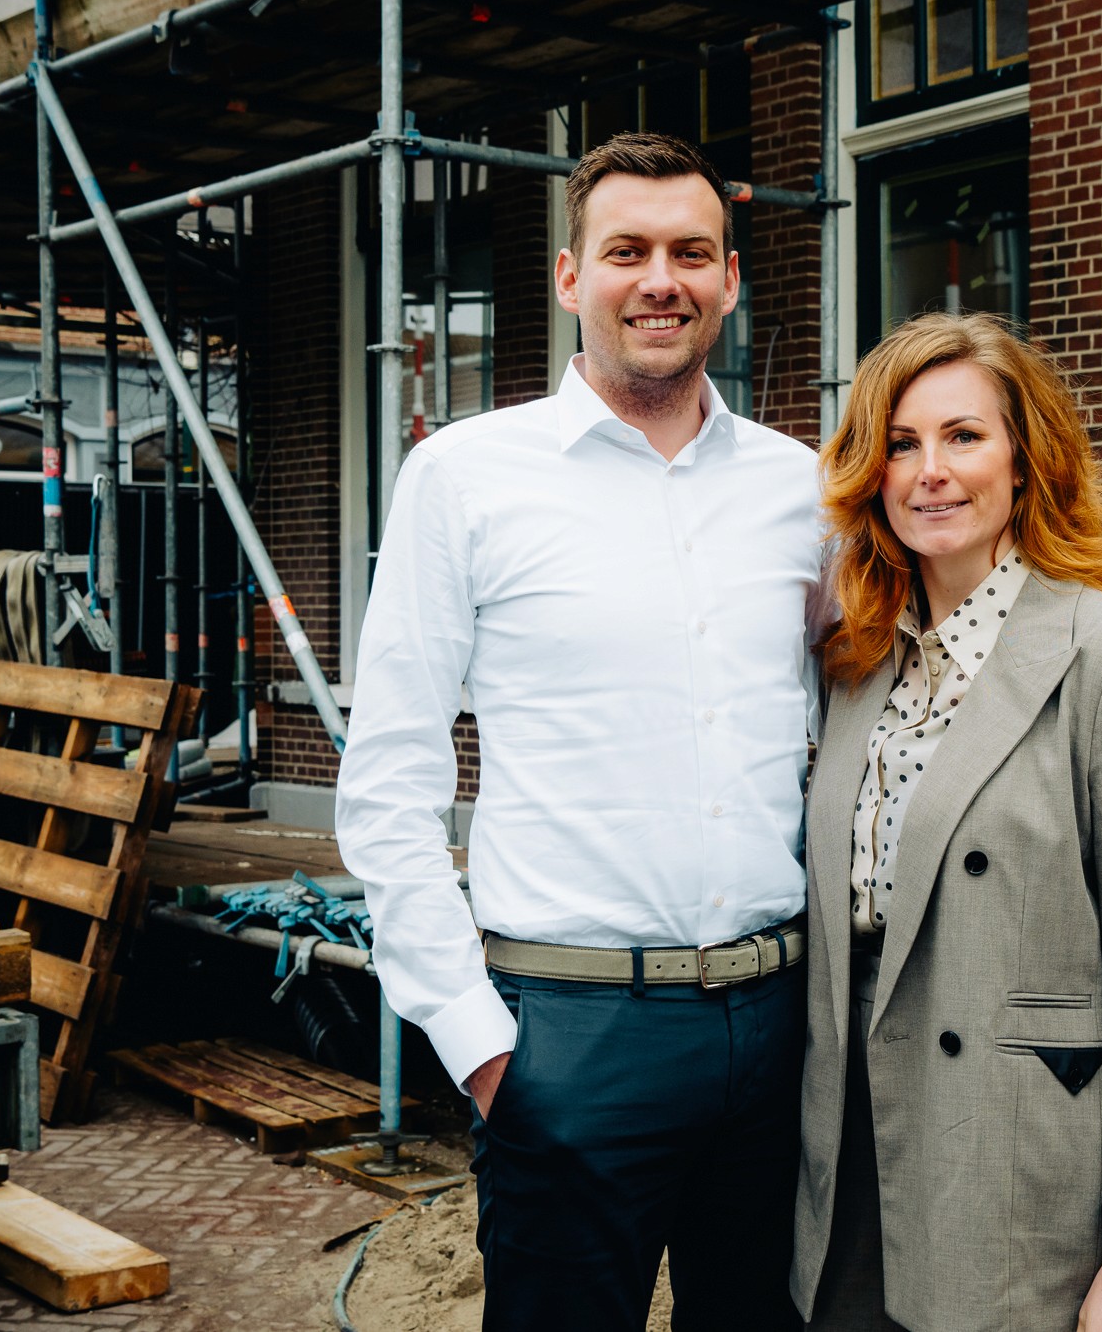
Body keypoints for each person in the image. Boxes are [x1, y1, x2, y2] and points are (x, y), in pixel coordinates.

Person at [335, 131, 822, 1332]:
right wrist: (477, 1045)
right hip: (567, 1034)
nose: (661, 278)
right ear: (569, 278)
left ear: (728, 279)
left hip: (778, 1030)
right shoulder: (463, 479)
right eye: (627, 251)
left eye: (690, 252)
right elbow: (387, 779)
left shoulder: (803, 491)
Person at [792, 314, 1102, 1332]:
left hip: (1018, 1181)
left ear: (1024, 464)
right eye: (900, 444)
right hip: (851, 1167)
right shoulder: (859, 667)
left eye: (962, 437)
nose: (928, 472)